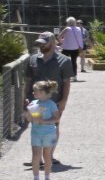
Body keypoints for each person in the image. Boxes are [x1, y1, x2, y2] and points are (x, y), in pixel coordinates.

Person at [28, 31, 74, 167]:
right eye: (39, 44)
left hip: (54, 101)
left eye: (44, 43)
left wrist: (64, 100)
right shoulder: (33, 59)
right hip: (35, 101)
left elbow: (66, 82)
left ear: (53, 43)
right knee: (36, 126)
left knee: (53, 126)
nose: (41, 46)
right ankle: (37, 158)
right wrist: (25, 98)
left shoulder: (64, 61)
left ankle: (49, 155)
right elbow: (28, 80)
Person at [27, 80, 60, 180]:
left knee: (47, 156)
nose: (33, 93)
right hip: (36, 133)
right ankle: (36, 179)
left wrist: (43, 121)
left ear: (42, 92)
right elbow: (30, 119)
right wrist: (28, 111)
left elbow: (57, 118)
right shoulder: (33, 103)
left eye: (35, 91)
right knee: (35, 156)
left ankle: (47, 178)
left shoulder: (51, 104)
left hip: (49, 133)